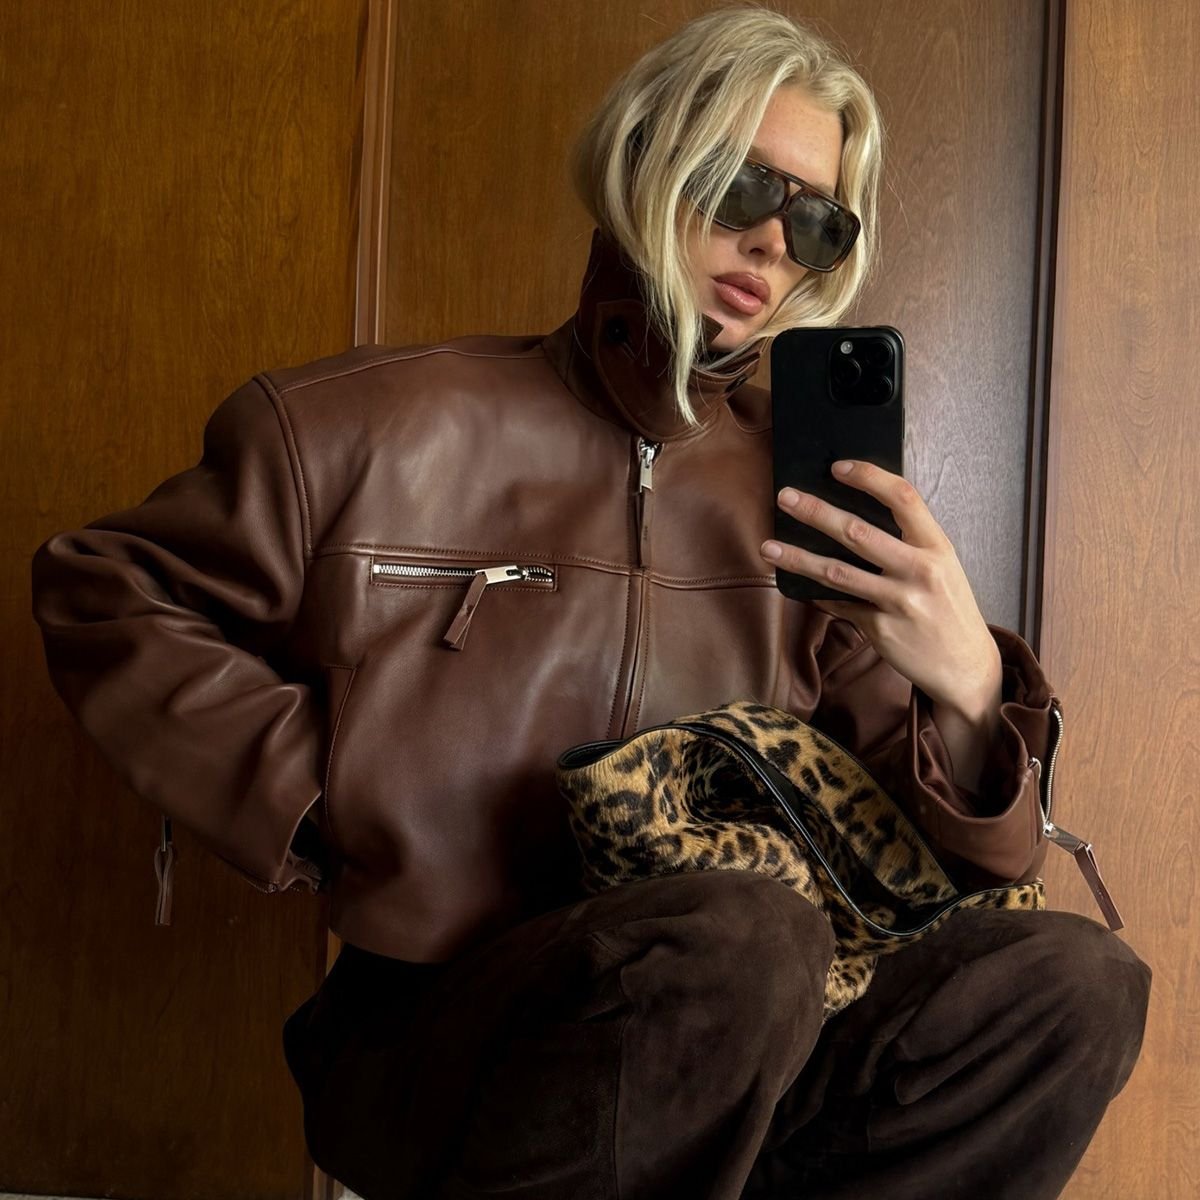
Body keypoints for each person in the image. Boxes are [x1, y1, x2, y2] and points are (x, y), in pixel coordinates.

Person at [30, 6, 1149, 1198]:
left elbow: (953, 869)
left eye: (817, 221)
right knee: (743, 933)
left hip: (747, 1039)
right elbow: (107, 592)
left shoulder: (809, 502)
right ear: (643, 156)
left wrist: (969, 686)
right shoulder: (368, 427)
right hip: (440, 1026)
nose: (772, 241)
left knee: (1076, 982)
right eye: (741, 185)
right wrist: (318, 791)